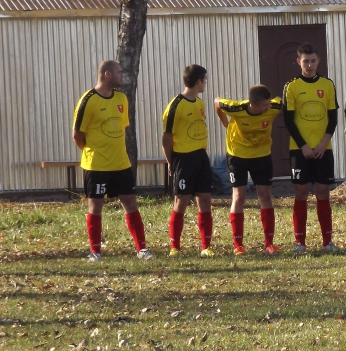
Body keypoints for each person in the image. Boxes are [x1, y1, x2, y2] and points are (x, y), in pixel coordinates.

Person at [73, 60, 153, 261]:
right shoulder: (88, 100)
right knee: (96, 206)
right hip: (97, 165)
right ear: (107, 74)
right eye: (119, 72)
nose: (122, 76)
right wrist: (93, 151)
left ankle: (141, 249)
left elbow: (121, 127)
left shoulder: (121, 99)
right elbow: (77, 135)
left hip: (121, 163)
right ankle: (95, 252)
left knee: (130, 203)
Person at [283, 43, 339, 252]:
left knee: (323, 192)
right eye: (305, 61)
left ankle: (327, 241)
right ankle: (300, 242)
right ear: (299, 62)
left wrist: (324, 143)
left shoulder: (327, 85)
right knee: (301, 192)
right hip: (300, 149)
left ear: (318, 61)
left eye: (313, 60)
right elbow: (289, 120)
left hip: (324, 148)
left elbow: (333, 118)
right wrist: (304, 146)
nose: (310, 64)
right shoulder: (292, 86)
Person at [215, 85, 282, 255]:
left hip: (262, 155)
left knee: (265, 195)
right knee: (239, 195)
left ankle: (269, 244)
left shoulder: (274, 107)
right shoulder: (236, 108)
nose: (267, 108)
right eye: (263, 105)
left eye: (268, 104)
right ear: (252, 104)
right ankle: (238, 244)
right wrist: (224, 121)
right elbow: (217, 102)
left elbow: (284, 103)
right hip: (238, 154)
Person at [161, 64, 214, 257]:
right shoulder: (175, 106)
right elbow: (166, 139)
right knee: (181, 200)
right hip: (183, 159)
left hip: (201, 156)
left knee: (205, 200)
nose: (205, 84)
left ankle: (205, 247)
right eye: (204, 80)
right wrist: (171, 163)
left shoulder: (200, 104)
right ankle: (175, 246)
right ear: (199, 81)